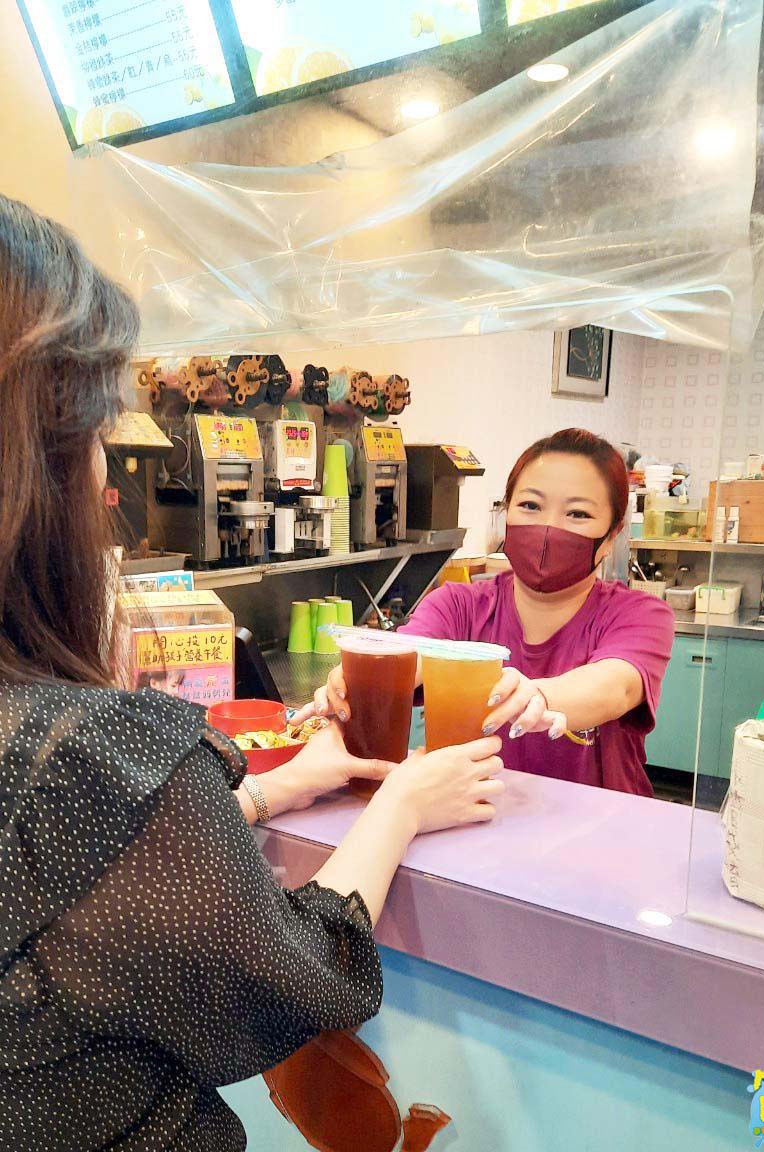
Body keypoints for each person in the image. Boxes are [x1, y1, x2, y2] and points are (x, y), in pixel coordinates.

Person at [0, 194, 504, 1151]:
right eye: (100, 432)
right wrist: (398, 805)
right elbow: (295, 976)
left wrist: (271, 794)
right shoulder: (92, 756)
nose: (111, 481)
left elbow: (53, 894)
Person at [301, 429, 675, 797]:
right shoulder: (458, 606)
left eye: (577, 514)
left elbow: (616, 686)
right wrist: (361, 677)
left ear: (611, 535)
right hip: (468, 816)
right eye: (530, 506)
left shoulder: (639, 614)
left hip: (598, 833)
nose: (548, 528)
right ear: (506, 512)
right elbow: (407, 659)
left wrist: (537, 696)